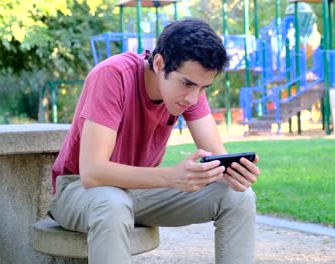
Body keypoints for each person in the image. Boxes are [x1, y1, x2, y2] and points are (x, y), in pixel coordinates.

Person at [50, 18, 261, 264]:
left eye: (204, 87)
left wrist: (235, 173)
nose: (193, 98)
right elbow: (92, 172)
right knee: (113, 204)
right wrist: (171, 177)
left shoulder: (190, 91)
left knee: (239, 196)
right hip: (79, 191)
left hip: (140, 190)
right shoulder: (112, 75)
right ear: (159, 64)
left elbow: (216, 158)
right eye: (187, 84)